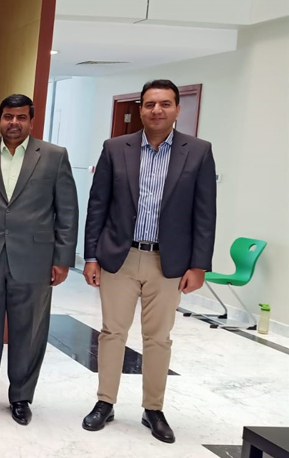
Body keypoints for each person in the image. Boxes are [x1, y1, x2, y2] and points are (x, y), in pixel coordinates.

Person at [81, 79, 216, 443]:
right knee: (112, 333)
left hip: (168, 262)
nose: (157, 110)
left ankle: (153, 409)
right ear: (140, 109)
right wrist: (91, 256)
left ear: (177, 109)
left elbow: (205, 213)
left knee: (158, 338)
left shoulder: (199, 151)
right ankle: (104, 403)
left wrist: (199, 264)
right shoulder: (115, 148)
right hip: (119, 258)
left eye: (165, 104)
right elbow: (98, 205)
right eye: (150, 104)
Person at [0, 94, 78, 426]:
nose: (14, 123)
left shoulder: (53, 156)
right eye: (8, 116)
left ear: (31, 121)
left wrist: (63, 258)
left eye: (21, 117)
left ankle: (21, 396)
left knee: (29, 329)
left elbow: (67, 212)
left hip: (34, 258)